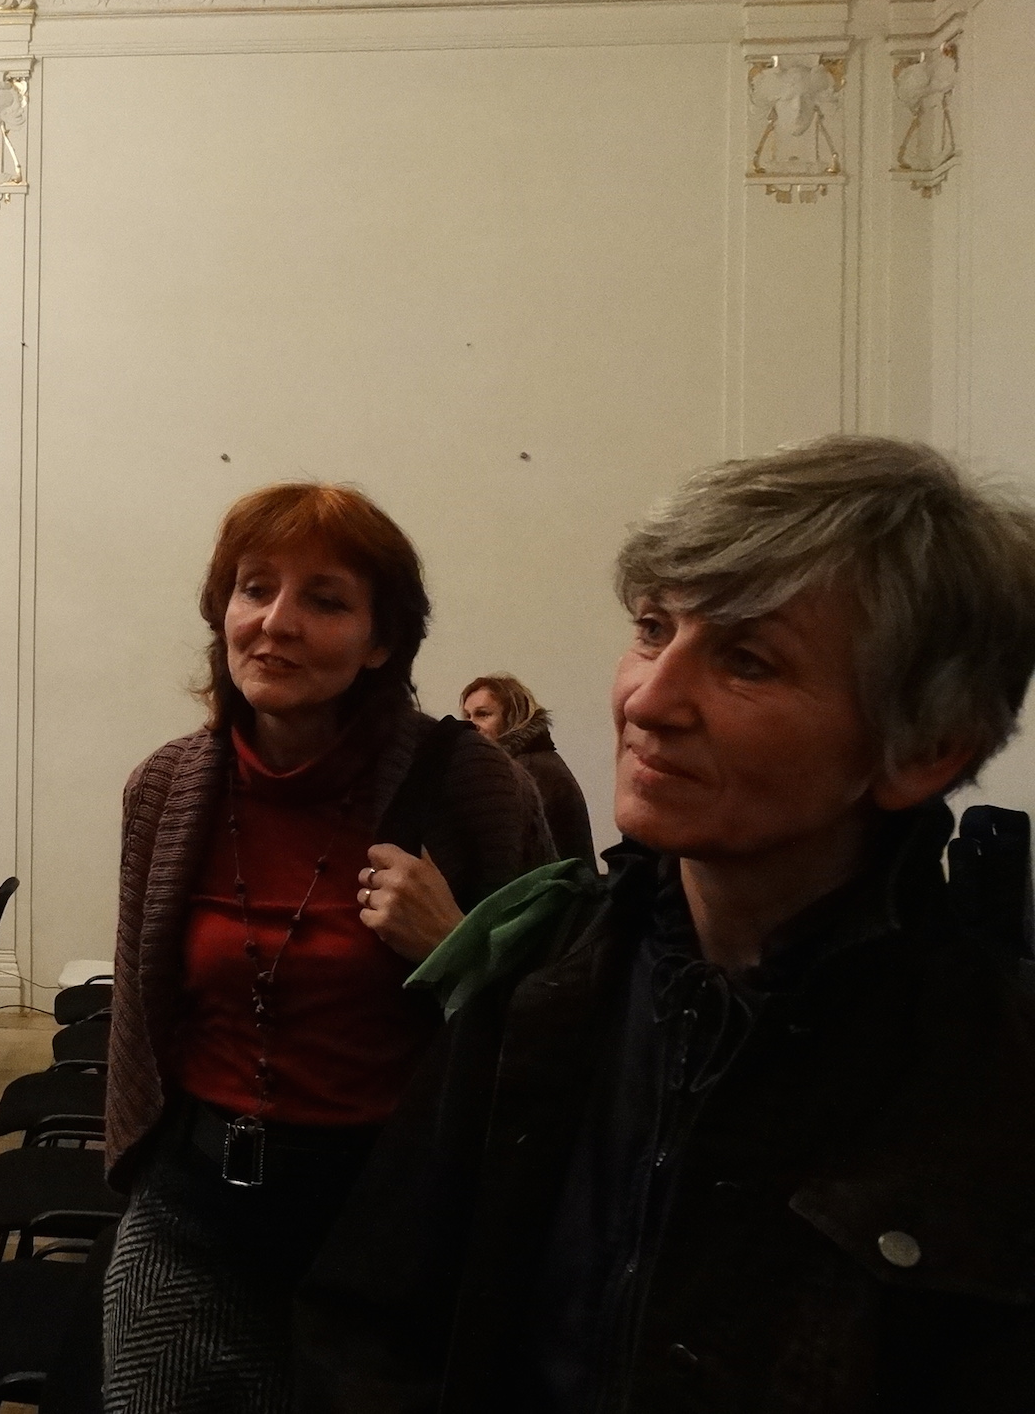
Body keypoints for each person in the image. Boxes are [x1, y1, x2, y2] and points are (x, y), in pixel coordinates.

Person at [295, 435, 1035, 1413]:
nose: (646, 699)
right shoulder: (538, 973)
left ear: (923, 749)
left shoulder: (990, 1077)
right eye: (652, 628)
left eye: (748, 661)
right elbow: (374, 1325)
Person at [103, 481, 553, 1412]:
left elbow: (561, 1013)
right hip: (195, 1210)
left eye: (326, 599)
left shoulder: (477, 787)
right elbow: (143, 1017)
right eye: (254, 588)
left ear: (381, 642)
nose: (277, 622)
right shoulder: (166, 787)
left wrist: (454, 946)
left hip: (391, 1222)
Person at [460, 672, 598, 866]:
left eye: (483, 714)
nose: (470, 725)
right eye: (467, 716)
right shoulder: (531, 763)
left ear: (511, 718)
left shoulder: (529, 770)